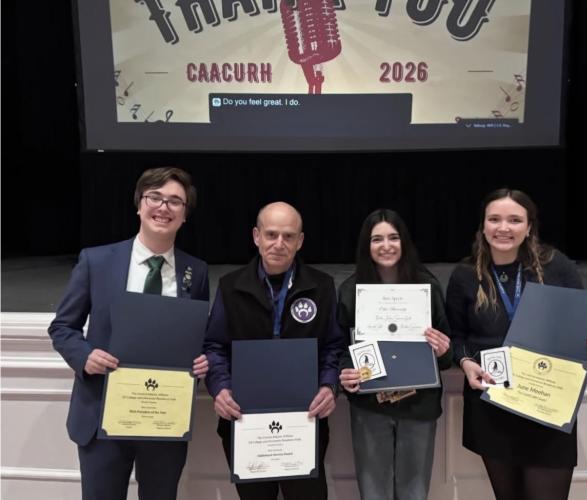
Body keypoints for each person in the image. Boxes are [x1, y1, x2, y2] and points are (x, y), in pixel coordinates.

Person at [48, 167, 210, 500]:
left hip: (164, 417)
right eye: (155, 197)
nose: (164, 207)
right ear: (139, 205)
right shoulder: (97, 261)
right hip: (102, 414)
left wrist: (202, 361)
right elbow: (62, 327)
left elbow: (196, 335)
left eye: (175, 202)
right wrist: (85, 356)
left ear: (184, 216)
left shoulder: (196, 271)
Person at [445, 188, 587, 500]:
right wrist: (465, 363)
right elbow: (456, 336)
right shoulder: (465, 275)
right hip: (492, 403)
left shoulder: (557, 266)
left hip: (547, 403)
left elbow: (578, 326)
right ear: (483, 225)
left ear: (529, 226)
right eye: (494, 219)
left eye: (514, 220)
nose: (503, 228)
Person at [203, 201, 344, 500]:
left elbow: (333, 346)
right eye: (271, 234)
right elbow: (214, 346)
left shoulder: (322, 286)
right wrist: (220, 388)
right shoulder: (231, 286)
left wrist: (330, 386)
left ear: (300, 241)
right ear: (256, 236)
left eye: (289, 236)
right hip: (244, 422)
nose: (279, 244)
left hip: (305, 422)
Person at [337, 208, 452, 500]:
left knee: (415, 491)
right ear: (366, 245)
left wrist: (443, 349)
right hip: (370, 406)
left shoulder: (428, 287)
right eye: (377, 239)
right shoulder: (351, 291)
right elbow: (340, 348)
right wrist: (345, 372)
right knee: (373, 491)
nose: (386, 245)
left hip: (419, 406)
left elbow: (446, 356)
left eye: (393, 237)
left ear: (405, 242)